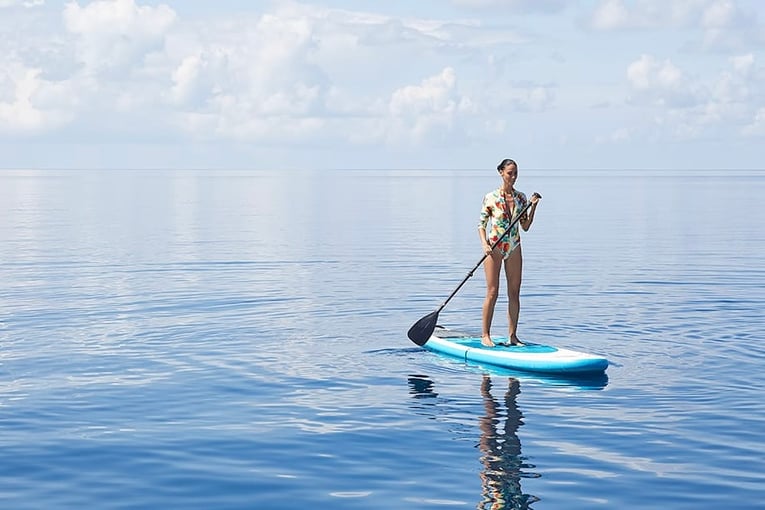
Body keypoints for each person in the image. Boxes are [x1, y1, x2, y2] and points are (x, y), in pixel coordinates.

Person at [478, 158, 541, 347]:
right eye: (509, 173)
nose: (513, 177)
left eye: (515, 173)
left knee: (514, 293)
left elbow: (526, 226)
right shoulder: (491, 197)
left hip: (514, 246)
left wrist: (534, 206)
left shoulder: (521, 198)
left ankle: (512, 336)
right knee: (492, 292)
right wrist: (484, 244)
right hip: (495, 246)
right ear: (501, 172)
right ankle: (485, 336)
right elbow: (481, 225)